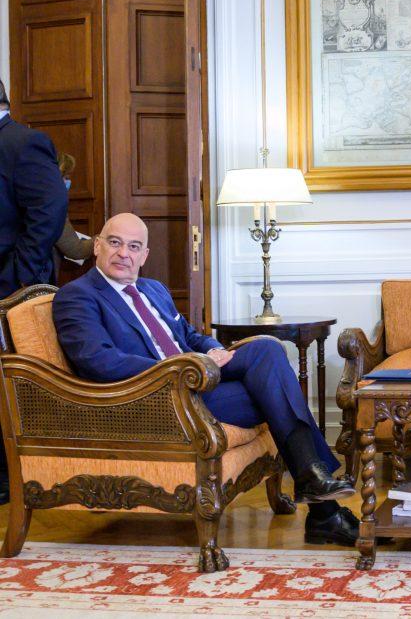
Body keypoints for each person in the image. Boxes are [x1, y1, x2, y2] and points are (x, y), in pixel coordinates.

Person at [52, 213, 360, 546]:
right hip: (158, 396)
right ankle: (322, 507)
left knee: (268, 349)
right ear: (97, 245)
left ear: (144, 255)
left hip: (195, 378)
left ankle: (317, 494)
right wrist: (182, 366)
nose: (123, 253)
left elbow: (188, 335)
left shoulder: (153, 289)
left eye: (134, 246)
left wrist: (213, 350)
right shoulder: (77, 296)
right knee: (274, 393)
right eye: (115, 242)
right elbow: (99, 362)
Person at [0, 78, 69, 506]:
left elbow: (49, 211)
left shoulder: (24, 143)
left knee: (11, 384)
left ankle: (11, 477)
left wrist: (18, 277)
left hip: (12, 288)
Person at [53, 153, 94, 266]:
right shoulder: (52, 206)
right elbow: (76, 250)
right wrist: (104, 239)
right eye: (66, 177)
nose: (68, 182)